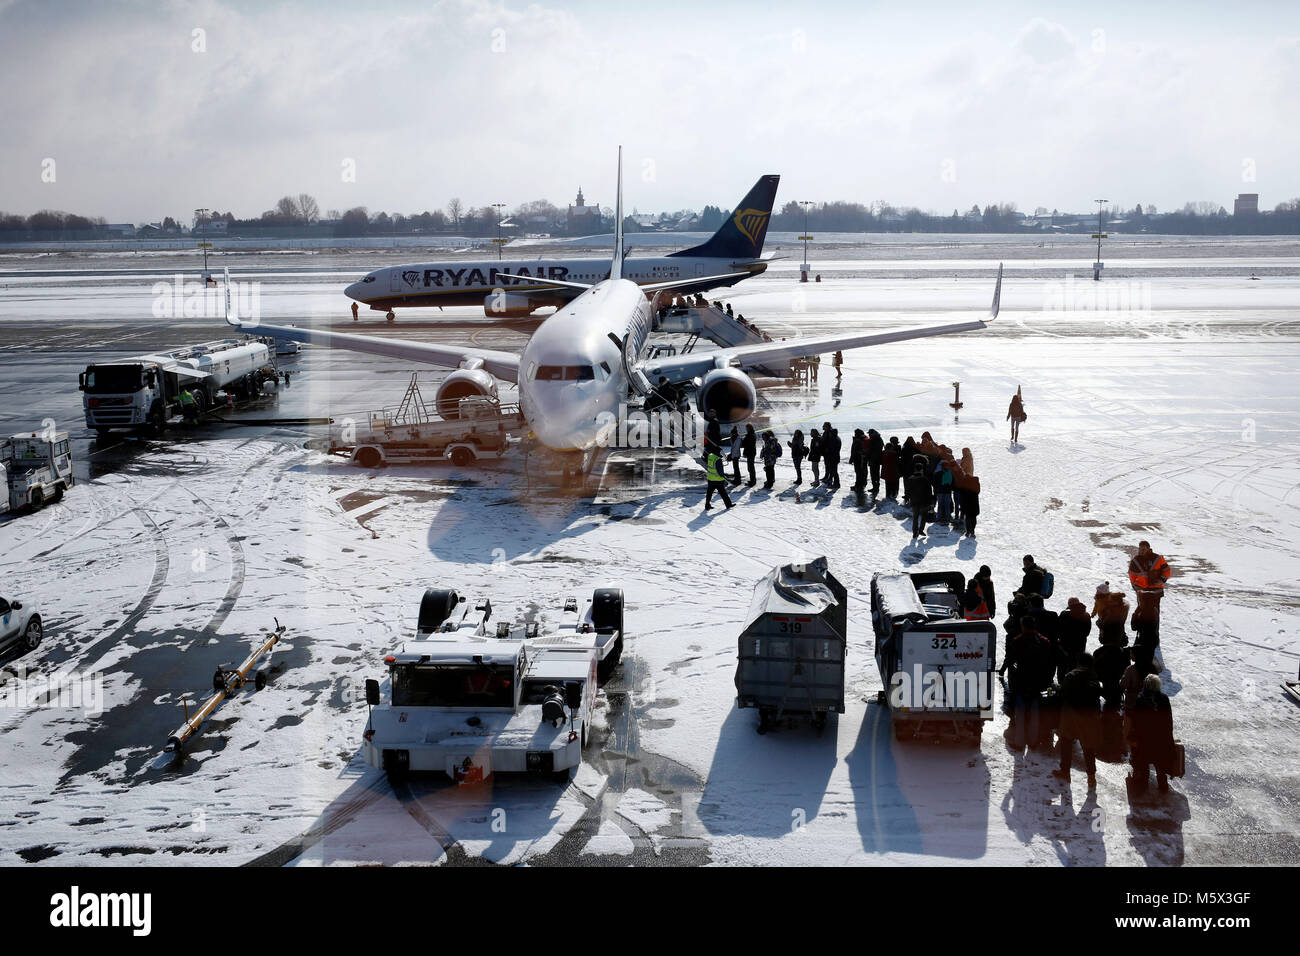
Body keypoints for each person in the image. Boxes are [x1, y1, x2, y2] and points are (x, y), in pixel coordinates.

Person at [1053, 653, 1102, 788]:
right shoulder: (1094, 677)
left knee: (1066, 743)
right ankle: (1091, 777)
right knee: (1088, 747)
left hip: (1071, 716)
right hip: (1090, 716)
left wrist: (1056, 687)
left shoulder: (1071, 675)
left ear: (1079, 662)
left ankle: (1065, 771)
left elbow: (1063, 692)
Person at [1126, 674, 1176, 794]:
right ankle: (1163, 786)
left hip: (1145, 739)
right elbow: (1168, 720)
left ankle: (1143, 785)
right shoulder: (1164, 699)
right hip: (1161, 738)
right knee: (1160, 764)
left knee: (1144, 762)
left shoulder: (1140, 699)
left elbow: (1136, 721)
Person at [1128, 541, 1171, 645]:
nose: (1141, 551)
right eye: (1140, 549)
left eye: (1143, 549)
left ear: (1148, 548)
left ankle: (1155, 635)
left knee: (1155, 613)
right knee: (1141, 612)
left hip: (1156, 592)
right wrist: (1136, 588)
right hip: (1142, 592)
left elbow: (1167, 570)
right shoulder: (1135, 561)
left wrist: (1162, 580)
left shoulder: (1158, 558)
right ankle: (1141, 633)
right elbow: (1132, 576)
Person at [1057, 598, 1093, 676]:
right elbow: (1087, 633)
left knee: (1062, 666)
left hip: (1065, 646)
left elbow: (1058, 629)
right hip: (1080, 646)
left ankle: (1062, 683)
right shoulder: (1086, 616)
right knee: (1075, 666)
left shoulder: (1064, 614)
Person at [904, 464, 932, 538]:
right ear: (922, 470)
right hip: (924, 502)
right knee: (924, 516)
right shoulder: (925, 479)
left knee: (915, 517)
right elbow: (929, 491)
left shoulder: (910, 479)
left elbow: (907, 490)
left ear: (915, 470)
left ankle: (914, 532)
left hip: (914, 501)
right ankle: (921, 530)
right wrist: (930, 502)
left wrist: (907, 498)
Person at [703, 444, 733, 511]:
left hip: (711, 478)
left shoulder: (710, 456)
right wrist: (723, 476)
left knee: (709, 493)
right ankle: (728, 505)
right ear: (717, 452)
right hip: (718, 479)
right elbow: (720, 471)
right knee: (723, 493)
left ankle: (707, 505)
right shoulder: (717, 459)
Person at [821, 423, 842, 490]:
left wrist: (827, 450)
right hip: (832, 456)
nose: (829, 434)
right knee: (832, 470)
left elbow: (833, 448)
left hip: (833, 457)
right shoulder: (834, 438)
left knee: (834, 471)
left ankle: (836, 484)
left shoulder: (835, 439)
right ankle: (832, 481)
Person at [866, 429, 883, 497]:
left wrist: (868, 456)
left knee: (874, 473)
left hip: (874, 459)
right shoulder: (879, 438)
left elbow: (870, 450)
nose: (869, 435)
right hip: (877, 459)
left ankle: (875, 487)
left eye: (869, 433)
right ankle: (876, 487)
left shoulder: (873, 439)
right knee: (876, 473)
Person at [849, 429, 866, 493]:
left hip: (859, 458)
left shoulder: (859, 440)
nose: (855, 434)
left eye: (856, 433)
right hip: (858, 458)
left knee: (860, 472)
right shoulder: (859, 439)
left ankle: (859, 486)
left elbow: (855, 450)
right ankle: (858, 485)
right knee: (859, 472)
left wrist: (852, 458)